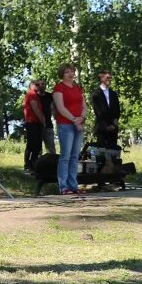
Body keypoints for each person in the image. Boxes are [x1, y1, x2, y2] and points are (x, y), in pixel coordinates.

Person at [52, 63, 87, 196]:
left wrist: (81, 118)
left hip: (78, 124)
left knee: (75, 156)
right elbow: (61, 108)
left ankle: (74, 185)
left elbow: (84, 106)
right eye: (67, 72)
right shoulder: (59, 88)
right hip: (66, 125)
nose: (70, 74)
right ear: (62, 74)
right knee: (65, 156)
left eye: (72, 71)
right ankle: (64, 186)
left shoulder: (77, 87)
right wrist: (74, 120)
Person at [90, 70, 121, 149]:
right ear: (101, 78)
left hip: (113, 128)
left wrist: (114, 123)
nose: (110, 80)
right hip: (102, 127)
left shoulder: (113, 94)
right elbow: (98, 111)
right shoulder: (95, 94)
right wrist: (106, 126)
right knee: (101, 152)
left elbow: (117, 110)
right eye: (107, 78)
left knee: (112, 152)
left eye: (110, 78)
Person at [22, 80, 47, 173]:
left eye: (40, 84)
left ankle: (33, 165)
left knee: (37, 146)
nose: (39, 86)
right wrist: (43, 120)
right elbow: (35, 109)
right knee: (31, 145)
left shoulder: (36, 95)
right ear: (31, 85)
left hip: (36, 123)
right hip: (32, 123)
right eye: (37, 84)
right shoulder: (31, 94)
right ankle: (27, 166)